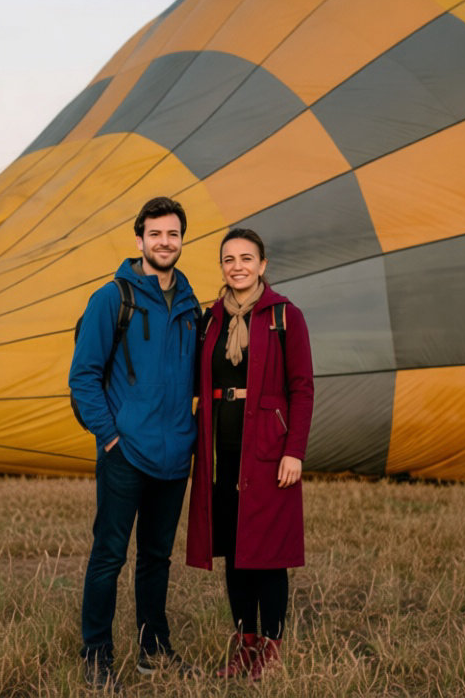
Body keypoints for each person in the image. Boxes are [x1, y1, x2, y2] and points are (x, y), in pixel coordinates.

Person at [69, 196, 202, 691]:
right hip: (126, 453)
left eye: (173, 234)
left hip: (174, 456)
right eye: (155, 234)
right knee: (109, 555)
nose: (164, 242)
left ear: (182, 240)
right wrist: (109, 437)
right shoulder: (112, 298)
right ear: (140, 238)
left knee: (156, 558)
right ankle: (97, 654)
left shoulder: (192, 307)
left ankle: (153, 650)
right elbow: (83, 377)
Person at [185, 227, 314, 680]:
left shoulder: (285, 316)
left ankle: (271, 652)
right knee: (235, 553)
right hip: (222, 453)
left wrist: (293, 450)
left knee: (269, 556)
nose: (236, 266)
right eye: (228, 259)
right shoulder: (211, 319)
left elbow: (302, 388)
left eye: (246, 258)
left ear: (263, 265)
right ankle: (246, 645)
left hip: (268, 452)